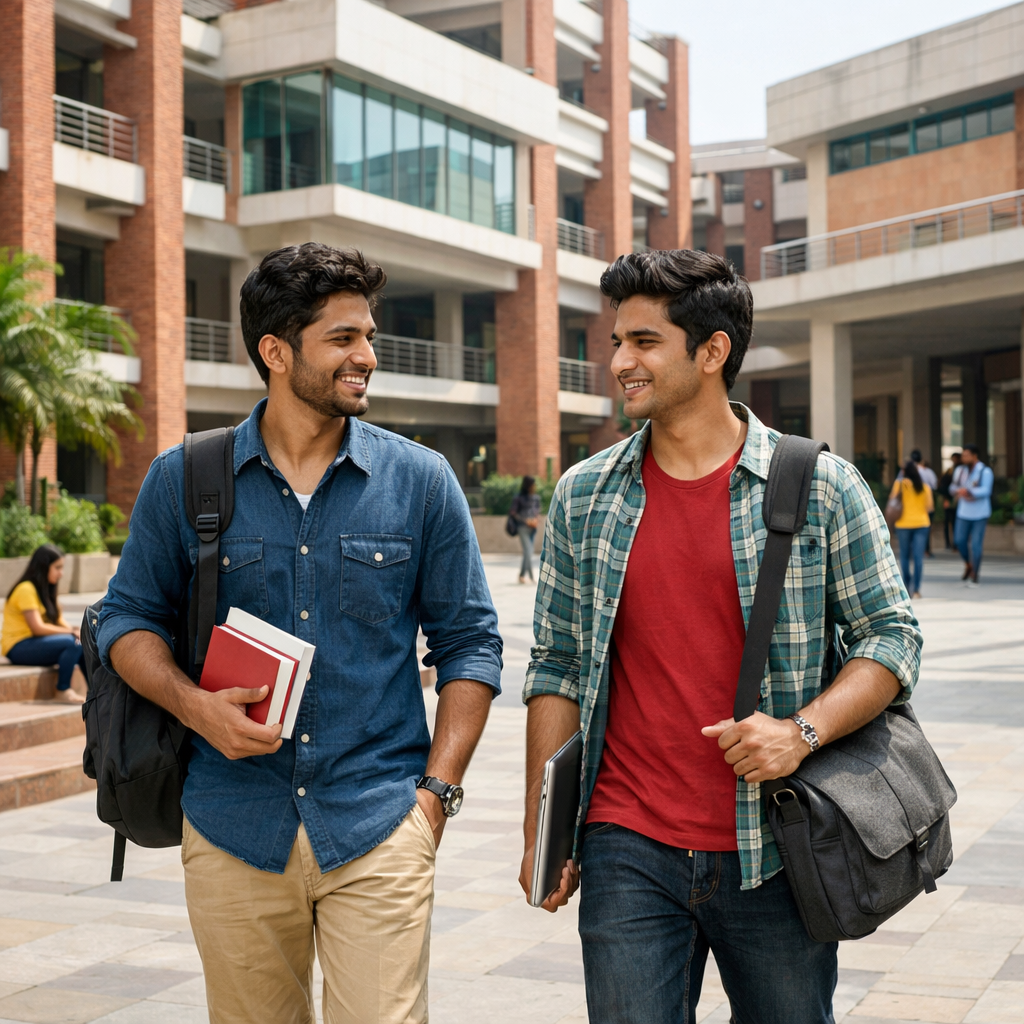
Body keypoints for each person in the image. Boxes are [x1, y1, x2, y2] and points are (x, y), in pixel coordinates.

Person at [98, 243, 503, 1024]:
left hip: (380, 824)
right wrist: (194, 707)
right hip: (230, 826)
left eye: (368, 336)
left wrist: (436, 798)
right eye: (344, 338)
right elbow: (125, 617)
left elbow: (471, 644)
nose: (368, 357)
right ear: (276, 352)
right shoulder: (184, 477)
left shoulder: (420, 481)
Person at [519, 250, 921, 1024]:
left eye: (643, 342)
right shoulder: (584, 495)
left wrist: (802, 732)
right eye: (615, 343)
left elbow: (891, 638)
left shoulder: (819, 485)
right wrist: (545, 828)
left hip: (775, 847)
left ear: (711, 352)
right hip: (625, 841)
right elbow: (557, 664)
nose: (619, 363)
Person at [2, 544, 85, 704]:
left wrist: (76, 630)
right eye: (57, 567)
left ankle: (98, 692)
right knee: (73, 643)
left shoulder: (45, 589)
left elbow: (58, 621)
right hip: (17, 646)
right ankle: (63, 690)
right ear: (43, 567)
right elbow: (37, 627)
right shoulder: (25, 589)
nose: (61, 573)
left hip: (34, 644)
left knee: (82, 642)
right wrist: (71, 633)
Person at [889, 460, 934, 599]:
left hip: (903, 524)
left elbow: (892, 501)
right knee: (918, 557)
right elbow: (930, 507)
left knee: (904, 556)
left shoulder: (899, 485)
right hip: (921, 523)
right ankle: (917, 590)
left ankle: (906, 587)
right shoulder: (925, 487)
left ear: (903, 472)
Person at [954, 442, 994, 587]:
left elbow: (986, 490)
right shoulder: (960, 471)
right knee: (959, 541)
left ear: (974, 456)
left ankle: (975, 575)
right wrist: (957, 491)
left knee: (976, 545)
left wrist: (970, 491)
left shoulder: (985, 471)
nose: (964, 458)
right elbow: (953, 486)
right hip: (963, 512)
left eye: (966, 455)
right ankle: (968, 564)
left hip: (979, 513)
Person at [510, 475, 541, 584]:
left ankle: (525, 576)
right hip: (522, 527)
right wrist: (525, 520)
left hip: (533, 528)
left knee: (529, 552)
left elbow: (537, 511)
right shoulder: (519, 498)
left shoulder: (536, 498)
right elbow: (513, 512)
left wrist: (535, 520)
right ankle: (528, 576)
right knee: (528, 551)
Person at [910, 450, 938, 557]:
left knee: (911, 528)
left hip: (911, 506)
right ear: (921, 459)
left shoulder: (906, 471)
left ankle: (913, 549)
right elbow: (934, 485)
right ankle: (926, 550)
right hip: (925, 504)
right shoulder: (927, 472)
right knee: (926, 528)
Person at [938, 452, 960, 550]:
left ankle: (956, 543)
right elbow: (943, 487)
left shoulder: (962, 471)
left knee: (957, 524)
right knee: (947, 523)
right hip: (950, 500)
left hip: (960, 501)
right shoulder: (949, 472)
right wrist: (946, 499)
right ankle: (948, 543)